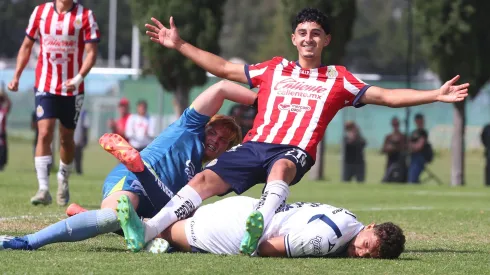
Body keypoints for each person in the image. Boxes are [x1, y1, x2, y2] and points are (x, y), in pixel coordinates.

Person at [113, 7, 469, 254]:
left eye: (315, 34)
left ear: (326, 40)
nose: (308, 39)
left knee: (282, 167)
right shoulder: (274, 69)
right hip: (255, 144)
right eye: (302, 33)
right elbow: (222, 67)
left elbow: (388, 96)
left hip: (293, 150)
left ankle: (258, 224)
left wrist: (435, 94)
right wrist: (179, 45)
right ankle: (147, 229)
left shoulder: (339, 79)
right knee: (203, 181)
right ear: (294, 39)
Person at [0, 80, 250, 251]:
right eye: (214, 132)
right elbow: (221, 87)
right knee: (114, 217)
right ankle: (28, 241)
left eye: (224, 141)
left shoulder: (204, 174)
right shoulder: (189, 127)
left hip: (158, 207)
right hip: (132, 179)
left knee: (185, 228)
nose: (216, 140)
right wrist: (265, 101)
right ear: (205, 126)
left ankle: (93, 218)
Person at [7, 0, 100, 206]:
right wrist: (17, 75)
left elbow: (91, 53)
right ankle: (43, 188)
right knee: (44, 132)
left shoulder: (85, 16)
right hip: (44, 85)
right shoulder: (40, 12)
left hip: (72, 88)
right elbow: (26, 45)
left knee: (66, 138)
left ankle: (63, 180)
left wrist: (78, 78)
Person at [142, 196, 405, 259]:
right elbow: (269, 248)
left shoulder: (349, 218)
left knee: (168, 227)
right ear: (370, 227)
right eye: (367, 245)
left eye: (370, 256)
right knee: (163, 231)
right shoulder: (326, 240)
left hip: (247, 206)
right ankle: (132, 228)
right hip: (236, 228)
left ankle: (156, 236)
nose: (361, 253)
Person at [381, 117, 407, 183]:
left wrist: (395, 147)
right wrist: (389, 148)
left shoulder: (403, 136)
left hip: (400, 163)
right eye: (394, 124)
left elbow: (406, 148)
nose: (395, 126)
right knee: (387, 180)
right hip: (390, 162)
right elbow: (383, 150)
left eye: (396, 124)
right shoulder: (388, 137)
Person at [408, 113, 431, 183]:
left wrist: (412, 146)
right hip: (413, 157)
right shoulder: (413, 132)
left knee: (413, 177)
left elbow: (419, 146)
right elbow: (409, 145)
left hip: (420, 157)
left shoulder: (423, 132)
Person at [73, 109, 90, 175]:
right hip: (70, 137)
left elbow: (86, 126)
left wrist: (84, 139)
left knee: (78, 156)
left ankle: (78, 170)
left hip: (78, 138)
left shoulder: (83, 113)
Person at [0, 86, 12, 171]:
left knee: (3, 150)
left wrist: (5, 95)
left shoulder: (3, 111)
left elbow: (9, 104)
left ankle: (2, 164)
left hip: (2, 134)